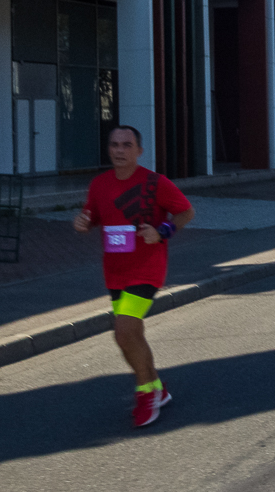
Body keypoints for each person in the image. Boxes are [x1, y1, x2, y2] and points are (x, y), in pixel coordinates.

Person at [74, 125, 195, 428]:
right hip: (115, 272)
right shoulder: (99, 184)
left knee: (123, 332)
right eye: (114, 145)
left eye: (127, 145)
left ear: (139, 151)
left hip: (148, 268)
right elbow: (92, 217)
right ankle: (157, 387)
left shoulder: (156, 183)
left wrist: (162, 231)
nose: (119, 150)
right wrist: (82, 223)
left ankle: (145, 394)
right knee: (131, 336)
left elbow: (185, 212)